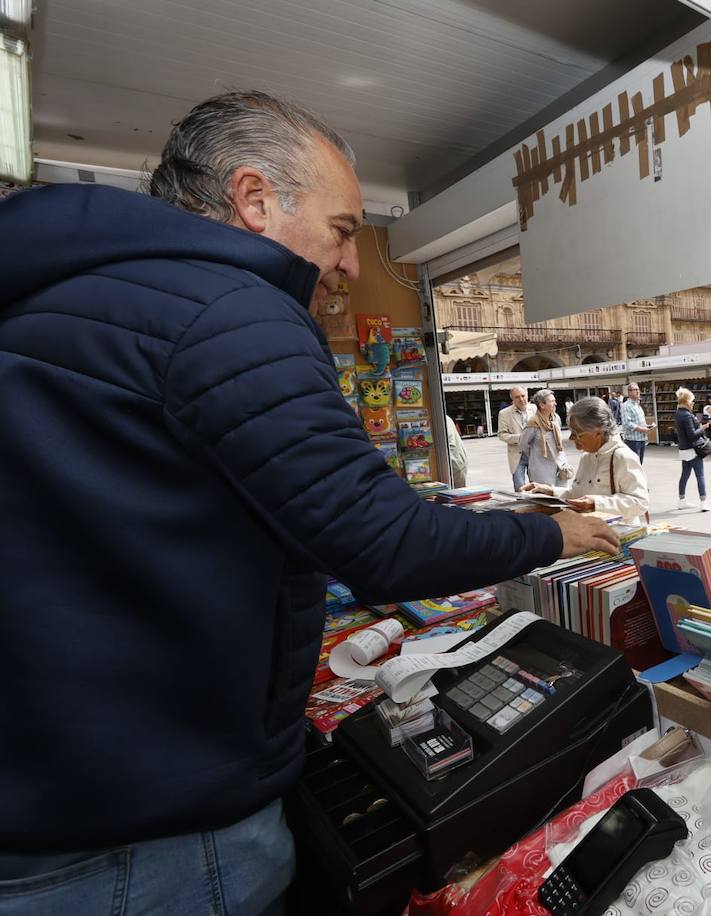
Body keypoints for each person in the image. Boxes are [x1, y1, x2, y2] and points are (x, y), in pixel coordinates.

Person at [0, 90, 621, 911]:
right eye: (341, 230)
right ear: (255, 200)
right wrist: (554, 534)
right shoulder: (229, 305)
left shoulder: (77, 292)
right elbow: (380, 541)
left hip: (56, 778)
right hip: (154, 814)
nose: (353, 266)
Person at [524, 397, 649, 523]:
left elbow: (640, 502)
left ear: (598, 433)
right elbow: (578, 494)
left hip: (616, 536)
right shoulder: (587, 456)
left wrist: (596, 503)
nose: (572, 438)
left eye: (577, 433)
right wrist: (550, 491)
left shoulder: (622, 457)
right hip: (589, 532)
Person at [519, 388, 571, 487]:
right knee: (545, 498)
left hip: (560, 465)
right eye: (552, 401)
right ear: (542, 405)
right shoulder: (533, 422)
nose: (555, 403)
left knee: (562, 495)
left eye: (554, 401)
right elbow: (523, 444)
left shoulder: (556, 419)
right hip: (541, 468)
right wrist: (535, 456)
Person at [675, 388, 710, 511]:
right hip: (693, 449)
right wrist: (703, 427)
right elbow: (692, 434)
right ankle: (704, 502)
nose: (693, 403)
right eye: (691, 401)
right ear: (686, 401)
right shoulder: (687, 415)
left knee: (685, 474)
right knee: (700, 475)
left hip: (684, 449)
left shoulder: (679, 414)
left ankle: (681, 500)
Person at [497, 386, 534, 489]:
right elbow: (501, 434)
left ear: (527, 396)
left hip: (534, 454)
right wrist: (521, 438)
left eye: (523, 396)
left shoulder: (535, 409)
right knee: (519, 487)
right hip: (517, 456)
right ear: (512, 399)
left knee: (537, 486)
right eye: (517, 397)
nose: (521, 399)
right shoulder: (504, 414)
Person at [620, 382, 653, 463]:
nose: (638, 392)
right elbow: (627, 423)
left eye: (638, 389)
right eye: (635, 390)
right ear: (629, 392)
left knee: (639, 464)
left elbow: (638, 421)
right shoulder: (626, 406)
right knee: (634, 465)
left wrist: (647, 426)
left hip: (641, 439)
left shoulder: (637, 405)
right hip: (633, 440)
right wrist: (642, 429)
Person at [445, 413, 469, 487]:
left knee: (457, 494)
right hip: (451, 464)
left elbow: (450, 445)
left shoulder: (443, 419)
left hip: (455, 464)